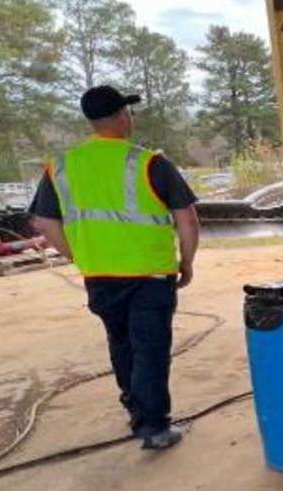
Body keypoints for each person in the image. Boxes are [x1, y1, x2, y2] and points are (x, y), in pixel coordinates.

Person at [31, 85, 200, 451]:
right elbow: (186, 218)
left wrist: (78, 256)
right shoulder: (149, 163)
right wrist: (186, 262)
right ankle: (153, 426)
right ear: (124, 116)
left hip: (100, 276)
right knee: (150, 348)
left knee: (122, 343)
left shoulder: (61, 166)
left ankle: (136, 409)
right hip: (150, 275)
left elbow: (44, 223)